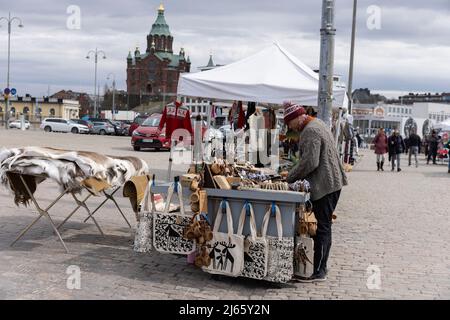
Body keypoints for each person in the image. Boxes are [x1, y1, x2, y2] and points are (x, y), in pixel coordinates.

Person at [281, 102, 348, 282]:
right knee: (324, 226)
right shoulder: (317, 124)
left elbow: (310, 162)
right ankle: (319, 267)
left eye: (290, 123)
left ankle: (320, 270)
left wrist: (289, 177)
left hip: (326, 185)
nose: (290, 127)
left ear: (297, 118)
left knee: (323, 227)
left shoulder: (310, 131)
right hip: (332, 182)